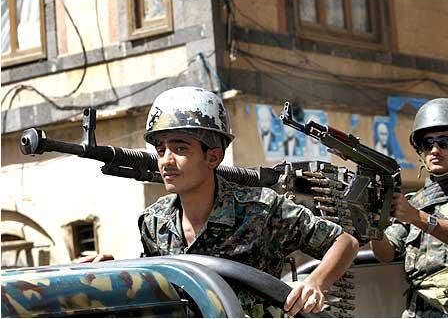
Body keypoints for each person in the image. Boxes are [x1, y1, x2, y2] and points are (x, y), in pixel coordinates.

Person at [83, 86, 359, 317]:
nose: (167, 160)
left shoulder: (261, 209)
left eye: (180, 148)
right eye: (161, 149)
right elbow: (156, 287)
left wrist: (315, 283)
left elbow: (344, 242)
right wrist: (114, 269)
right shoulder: (154, 221)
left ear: (213, 157)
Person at [370, 98, 448, 318]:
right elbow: (386, 253)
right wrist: (373, 224)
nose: (435, 150)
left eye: (445, 142)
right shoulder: (413, 201)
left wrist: (418, 218)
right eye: (428, 144)